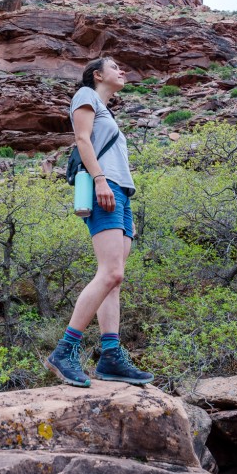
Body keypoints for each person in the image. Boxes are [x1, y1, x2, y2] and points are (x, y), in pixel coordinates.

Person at [44, 57, 154, 387]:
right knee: (112, 272)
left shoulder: (107, 111)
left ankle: (110, 357)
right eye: (116, 67)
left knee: (114, 279)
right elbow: (82, 140)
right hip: (104, 189)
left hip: (121, 194)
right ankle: (64, 351)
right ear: (97, 75)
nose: (123, 71)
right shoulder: (85, 96)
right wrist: (101, 180)